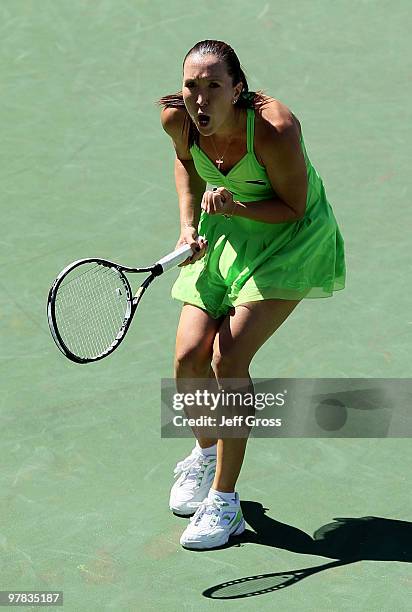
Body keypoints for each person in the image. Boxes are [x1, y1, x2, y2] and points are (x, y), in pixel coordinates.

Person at [158, 40, 345, 550]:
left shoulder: (273, 129)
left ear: (237, 89)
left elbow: (293, 206)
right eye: (192, 86)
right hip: (224, 232)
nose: (200, 100)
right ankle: (204, 453)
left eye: (213, 86)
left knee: (228, 355)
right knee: (187, 358)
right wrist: (185, 227)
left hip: (289, 239)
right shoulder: (177, 121)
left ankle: (226, 501)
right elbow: (185, 164)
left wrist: (235, 205)